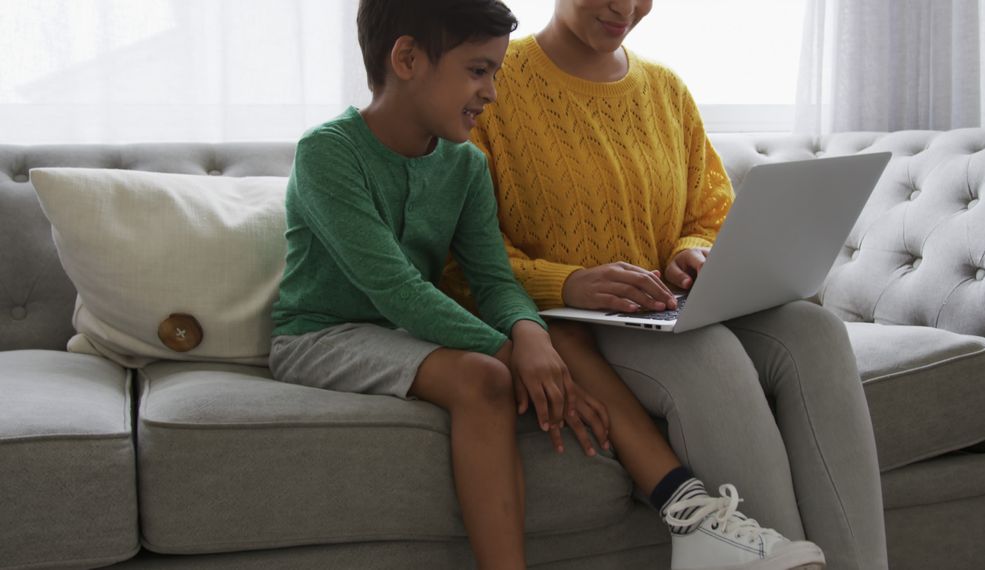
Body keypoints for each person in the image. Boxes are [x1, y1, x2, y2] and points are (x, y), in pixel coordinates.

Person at [270, 1, 822, 568]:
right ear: (408, 58)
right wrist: (512, 350)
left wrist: (530, 335)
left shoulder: (464, 165)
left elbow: (494, 279)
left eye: (497, 72)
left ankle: (689, 511)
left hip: (412, 330)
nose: (491, 91)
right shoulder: (328, 152)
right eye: (478, 71)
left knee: (548, 336)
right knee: (486, 376)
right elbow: (398, 291)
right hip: (324, 333)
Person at [447, 0, 889, 568]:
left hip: (668, 305)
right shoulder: (489, 86)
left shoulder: (666, 90)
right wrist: (570, 282)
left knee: (816, 329)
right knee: (708, 353)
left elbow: (708, 212)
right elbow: (461, 259)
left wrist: (691, 253)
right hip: (572, 323)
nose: (624, 7)